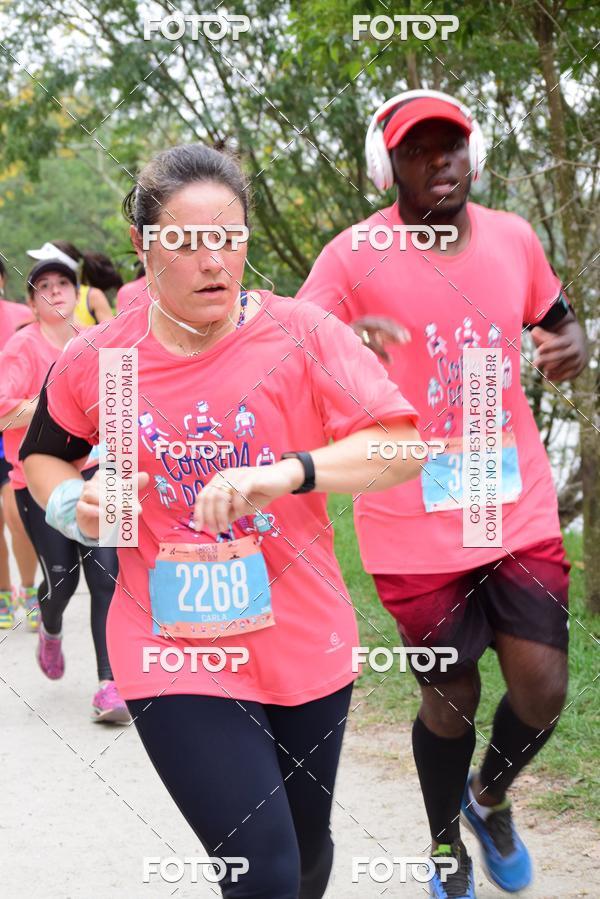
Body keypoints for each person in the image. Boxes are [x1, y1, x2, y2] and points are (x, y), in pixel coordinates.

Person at [21, 143, 421, 898]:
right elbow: (44, 455)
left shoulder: (301, 335)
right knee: (260, 868)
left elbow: (401, 448)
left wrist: (290, 472)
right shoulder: (101, 357)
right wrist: (73, 502)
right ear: (142, 247)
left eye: (230, 238)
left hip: (303, 636)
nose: (214, 261)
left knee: (306, 850)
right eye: (185, 242)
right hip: (170, 647)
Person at [297, 90, 588, 898]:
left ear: (475, 153)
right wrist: (343, 345)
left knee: (543, 683)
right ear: (385, 164)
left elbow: (560, 319)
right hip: (407, 515)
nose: (441, 161)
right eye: (419, 149)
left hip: (513, 502)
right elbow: (293, 344)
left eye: (452, 145)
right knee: (449, 694)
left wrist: (571, 340)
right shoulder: (353, 255)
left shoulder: (514, 239)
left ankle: (487, 801)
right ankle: (440, 843)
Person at [0, 258, 129, 723]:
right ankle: (49, 621)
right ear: (32, 302)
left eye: (63, 284)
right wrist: (51, 409)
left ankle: (110, 684)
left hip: (98, 472)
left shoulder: (95, 342)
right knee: (62, 578)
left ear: (75, 294)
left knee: (107, 573)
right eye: (43, 287)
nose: (54, 292)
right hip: (36, 479)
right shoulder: (21, 349)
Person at [0, 257, 39, 628]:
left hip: (9, 429)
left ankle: (28, 589)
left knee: (16, 518)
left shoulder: (17, 317)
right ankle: (3, 593)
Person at [27, 240, 120, 325]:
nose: (40, 267)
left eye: (46, 262)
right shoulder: (41, 299)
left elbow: (111, 334)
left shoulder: (92, 295)